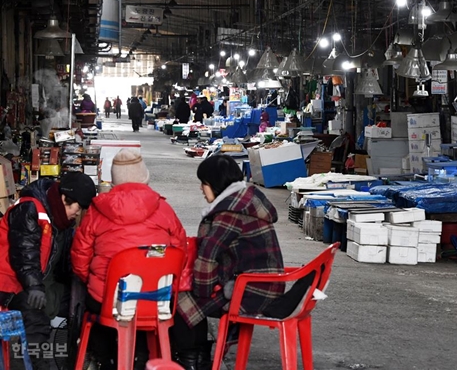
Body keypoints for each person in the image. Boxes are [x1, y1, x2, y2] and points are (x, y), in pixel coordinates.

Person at [72, 149, 187, 370]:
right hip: (156, 301)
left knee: (93, 305)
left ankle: (105, 361)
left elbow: (80, 257)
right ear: (144, 176)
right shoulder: (164, 208)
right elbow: (179, 252)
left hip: (108, 300)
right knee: (141, 309)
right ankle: (141, 359)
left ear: (114, 179)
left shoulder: (97, 211)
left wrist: (92, 281)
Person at [171, 155, 284, 369]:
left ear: (215, 184)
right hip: (264, 283)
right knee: (193, 297)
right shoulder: (245, 201)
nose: (201, 189)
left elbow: (207, 256)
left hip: (251, 290)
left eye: (203, 183)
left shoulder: (229, 213)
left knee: (180, 300)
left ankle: (190, 360)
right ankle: (198, 356)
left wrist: (201, 291)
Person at [0, 173, 97, 370]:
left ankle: (75, 358)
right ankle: (40, 366)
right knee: (36, 317)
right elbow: (24, 251)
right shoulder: (30, 208)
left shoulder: (60, 221)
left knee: (79, 302)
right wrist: (35, 287)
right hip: (10, 283)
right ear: (64, 199)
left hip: (36, 280)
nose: (78, 214)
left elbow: (60, 262)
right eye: (77, 208)